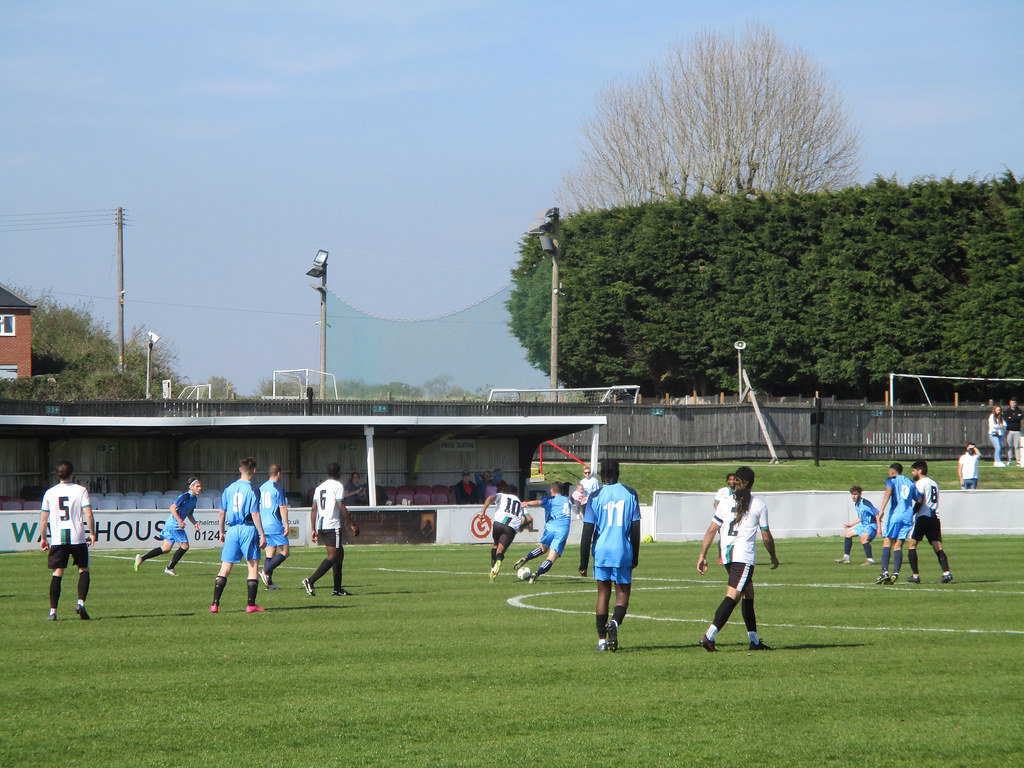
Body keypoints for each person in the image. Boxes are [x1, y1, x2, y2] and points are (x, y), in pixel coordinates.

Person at [696, 465, 778, 652]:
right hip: (743, 556)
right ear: (752, 483)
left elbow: (711, 530)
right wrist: (774, 557)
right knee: (733, 596)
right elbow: (766, 536)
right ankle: (709, 637)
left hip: (727, 554)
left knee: (748, 593)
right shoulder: (758, 504)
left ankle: (754, 640)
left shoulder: (724, 502)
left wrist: (702, 555)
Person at [578, 460, 641, 652]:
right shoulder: (630, 493)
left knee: (603, 594)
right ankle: (614, 622)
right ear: (618, 473)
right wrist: (635, 556)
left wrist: (583, 562)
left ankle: (602, 641)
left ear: (602, 474)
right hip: (622, 550)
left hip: (601, 551)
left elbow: (587, 530)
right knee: (623, 594)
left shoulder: (595, 496)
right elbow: (636, 528)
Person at [39, 460, 95, 621]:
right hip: (77, 537)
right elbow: (89, 514)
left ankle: (53, 612)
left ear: (58, 474)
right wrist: (92, 533)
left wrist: (44, 538)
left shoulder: (50, 492)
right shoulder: (81, 490)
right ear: (73, 474)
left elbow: (43, 520)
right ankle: (81, 603)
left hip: (58, 539)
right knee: (83, 569)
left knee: (57, 573)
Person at [210, 457, 267, 614]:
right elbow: (254, 513)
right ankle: (251, 604)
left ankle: (214, 604)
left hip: (233, 530)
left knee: (225, 567)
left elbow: (222, 512)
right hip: (248, 528)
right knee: (253, 566)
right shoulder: (253, 489)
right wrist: (262, 534)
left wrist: (222, 531)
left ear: (240, 469)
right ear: (254, 471)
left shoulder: (229, 488)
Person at [303, 462, 360, 596]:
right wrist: (352, 523)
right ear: (339, 473)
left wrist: (313, 528)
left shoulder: (320, 487)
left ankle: (337, 589)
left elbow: (313, 509)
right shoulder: (338, 486)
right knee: (334, 556)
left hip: (322, 524)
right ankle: (310, 581)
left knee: (339, 554)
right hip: (332, 524)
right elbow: (340, 505)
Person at [133, 477, 202, 575]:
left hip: (172, 524)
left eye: (200, 486)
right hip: (174, 525)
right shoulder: (185, 496)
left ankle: (141, 558)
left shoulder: (194, 499)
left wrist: (195, 523)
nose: (200, 488)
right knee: (185, 546)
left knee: (166, 548)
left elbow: (189, 514)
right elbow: (172, 508)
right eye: (197, 486)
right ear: (191, 487)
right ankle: (169, 568)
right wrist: (179, 521)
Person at [515, 481, 572, 583]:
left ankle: (526, 558)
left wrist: (527, 503)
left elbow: (539, 502)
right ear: (562, 491)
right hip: (562, 530)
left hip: (550, 528)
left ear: (551, 490)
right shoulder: (566, 500)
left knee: (543, 548)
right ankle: (536, 574)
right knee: (551, 558)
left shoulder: (551, 499)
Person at [874, 462, 921, 585]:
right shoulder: (911, 483)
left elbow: (888, 492)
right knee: (898, 544)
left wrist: (881, 510)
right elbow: (919, 499)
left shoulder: (892, 480)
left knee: (888, 541)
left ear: (893, 472)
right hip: (907, 516)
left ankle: (884, 572)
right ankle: (896, 573)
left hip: (896, 514)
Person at [908, 461, 953, 584]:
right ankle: (946, 573)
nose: (912, 473)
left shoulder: (920, 483)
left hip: (923, 517)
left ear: (919, 471)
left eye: (913, 470)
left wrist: (911, 514)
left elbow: (919, 500)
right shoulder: (934, 483)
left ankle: (915, 575)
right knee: (938, 547)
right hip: (934, 518)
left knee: (911, 544)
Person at [477, 484, 530, 581]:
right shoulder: (520, 503)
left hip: (498, 524)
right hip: (510, 528)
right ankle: (498, 562)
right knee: (500, 551)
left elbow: (490, 498)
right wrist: (521, 527)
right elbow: (529, 519)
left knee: (495, 545)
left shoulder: (502, 495)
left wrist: (483, 512)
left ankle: (493, 568)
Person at [258, 464, 290, 590]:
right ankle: (265, 571)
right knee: (285, 552)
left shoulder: (262, 487)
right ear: (279, 473)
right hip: (274, 524)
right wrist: (286, 524)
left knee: (270, 553)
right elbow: (282, 507)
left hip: (263, 524)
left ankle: (269, 584)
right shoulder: (278, 488)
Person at [836, 485, 879, 565]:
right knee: (847, 534)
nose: (853, 496)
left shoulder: (866, 503)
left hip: (871, 526)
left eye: (855, 494)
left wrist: (879, 529)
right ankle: (846, 557)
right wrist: (850, 524)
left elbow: (877, 514)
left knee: (864, 539)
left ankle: (870, 560)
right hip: (864, 526)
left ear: (860, 494)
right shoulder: (857, 504)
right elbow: (860, 518)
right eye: (852, 494)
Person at [1004, 397, 1022, 466]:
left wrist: (1011, 418)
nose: (1013, 404)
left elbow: (1020, 417)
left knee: (1017, 446)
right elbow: (1007, 419)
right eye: (1012, 402)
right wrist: (1015, 418)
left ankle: (1018, 461)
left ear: (1016, 403)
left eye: (1014, 402)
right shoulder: (1007, 411)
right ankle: (1009, 460)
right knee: (1009, 446)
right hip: (1009, 431)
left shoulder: (1019, 410)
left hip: (1017, 431)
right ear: (1010, 403)